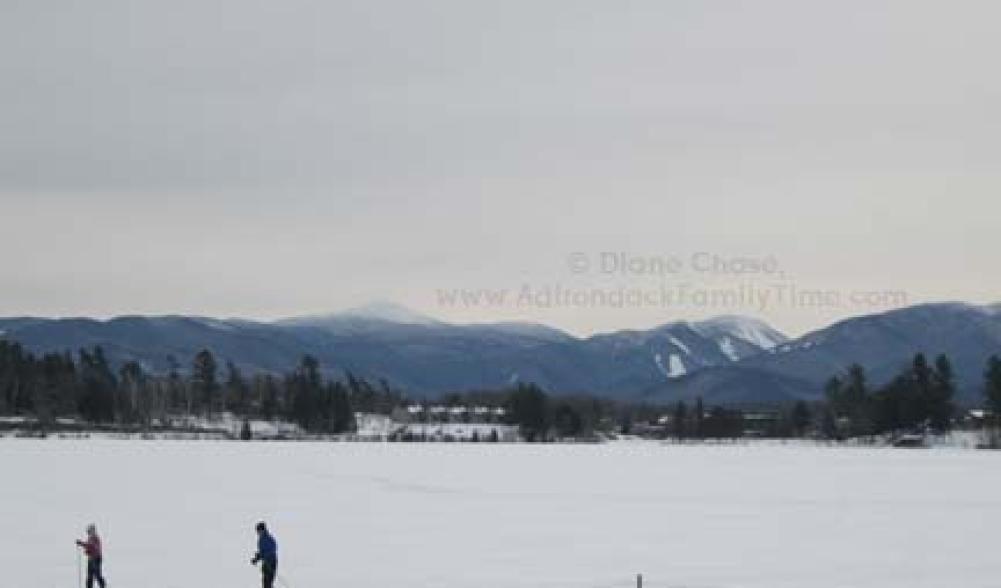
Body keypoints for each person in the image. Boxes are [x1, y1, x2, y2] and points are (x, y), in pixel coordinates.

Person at [75, 524, 107, 588]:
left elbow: (92, 546)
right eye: (88, 531)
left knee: (97, 574)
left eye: (89, 531)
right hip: (91, 559)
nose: (88, 533)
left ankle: (102, 586)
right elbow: (89, 547)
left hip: (96, 558)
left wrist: (82, 544)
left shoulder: (95, 538)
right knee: (90, 576)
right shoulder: (90, 539)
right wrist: (86, 550)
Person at [251, 521, 278, 588]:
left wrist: (268, 561)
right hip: (266, 563)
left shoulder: (268, 538)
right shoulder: (261, 539)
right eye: (257, 531)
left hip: (271, 563)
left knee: (267, 583)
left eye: (258, 530)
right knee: (265, 583)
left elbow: (273, 548)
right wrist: (256, 558)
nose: (257, 533)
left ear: (263, 530)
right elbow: (262, 551)